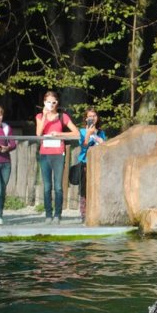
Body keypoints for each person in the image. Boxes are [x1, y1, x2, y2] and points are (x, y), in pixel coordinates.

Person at [35, 91, 79, 224]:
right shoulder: (39, 116)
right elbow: (38, 133)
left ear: (57, 103)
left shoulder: (62, 116)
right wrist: (44, 116)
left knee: (58, 186)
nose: (51, 105)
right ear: (44, 103)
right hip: (45, 153)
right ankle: (48, 214)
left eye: (54, 102)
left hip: (58, 154)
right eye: (49, 102)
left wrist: (59, 134)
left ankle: (57, 214)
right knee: (47, 186)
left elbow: (76, 133)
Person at [77, 107, 106, 221]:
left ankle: (97, 212)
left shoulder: (101, 132)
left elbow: (104, 144)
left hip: (98, 163)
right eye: (90, 116)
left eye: (94, 116)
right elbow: (83, 146)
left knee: (97, 187)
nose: (92, 118)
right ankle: (84, 214)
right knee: (85, 189)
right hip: (85, 163)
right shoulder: (82, 131)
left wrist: (96, 135)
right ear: (86, 118)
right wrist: (89, 134)